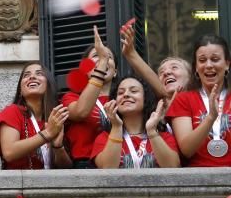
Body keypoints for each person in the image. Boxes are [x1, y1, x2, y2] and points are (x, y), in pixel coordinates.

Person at [168, 35, 231, 167]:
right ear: (196, 67)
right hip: (198, 179)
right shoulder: (183, 99)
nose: (208, 65)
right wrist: (211, 118)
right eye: (202, 60)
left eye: (215, 59)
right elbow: (187, 149)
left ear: (227, 64)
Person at [93, 76, 178, 169]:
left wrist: (152, 131)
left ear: (145, 99)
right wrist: (117, 127)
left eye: (134, 91)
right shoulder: (104, 138)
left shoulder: (164, 137)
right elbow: (107, 169)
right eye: (120, 93)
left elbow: (172, 167)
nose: (126, 95)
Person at [0, 62, 71, 170]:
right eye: (26, 75)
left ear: (48, 85)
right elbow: (9, 152)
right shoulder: (12, 111)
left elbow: (67, 168)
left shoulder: (56, 117)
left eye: (39, 73)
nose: (32, 77)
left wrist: (58, 146)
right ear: (20, 91)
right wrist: (47, 134)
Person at [62, 27, 114, 168]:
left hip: (119, 163)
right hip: (85, 166)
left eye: (108, 57)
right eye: (97, 55)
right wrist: (102, 63)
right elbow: (81, 112)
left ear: (115, 72)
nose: (103, 58)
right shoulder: (71, 97)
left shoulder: (123, 98)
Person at [120, 20, 192, 99]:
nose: (166, 73)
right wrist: (130, 53)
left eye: (174, 67)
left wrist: (131, 54)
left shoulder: (204, 99)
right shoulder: (155, 109)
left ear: (190, 76)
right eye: (161, 72)